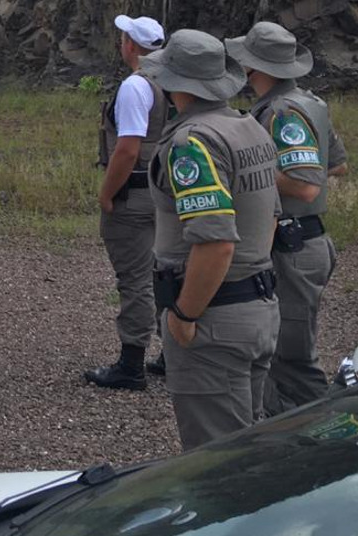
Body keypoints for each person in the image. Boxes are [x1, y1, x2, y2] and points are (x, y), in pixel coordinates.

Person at [140, 29, 281, 450]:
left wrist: (184, 314)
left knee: (216, 468)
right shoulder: (250, 127)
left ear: (171, 82)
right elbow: (271, 217)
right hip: (256, 307)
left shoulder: (192, 143)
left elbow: (216, 241)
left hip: (213, 321)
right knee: (245, 451)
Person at [226, 21, 348, 414]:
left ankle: (328, 444)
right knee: (276, 357)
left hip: (292, 248)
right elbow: (336, 165)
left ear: (254, 68)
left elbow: (306, 184)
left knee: (292, 361)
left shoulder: (283, 111)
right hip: (299, 242)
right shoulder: (309, 103)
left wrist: (248, 175)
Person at [84, 15, 168, 390]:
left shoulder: (136, 86)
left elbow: (128, 148)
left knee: (135, 278)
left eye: (123, 38)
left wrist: (106, 192)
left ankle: (131, 363)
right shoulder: (173, 80)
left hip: (135, 193)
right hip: (165, 192)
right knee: (166, 272)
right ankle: (173, 353)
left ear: (131, 46)